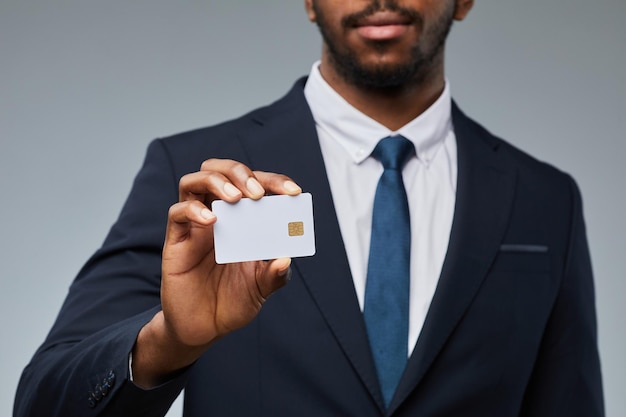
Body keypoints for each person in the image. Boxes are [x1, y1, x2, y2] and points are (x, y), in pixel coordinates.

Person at [14, 0, 604, 416]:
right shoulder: (195, 178)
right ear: (308, 1)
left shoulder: (545, 200)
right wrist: (169, 342)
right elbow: (43, 401)